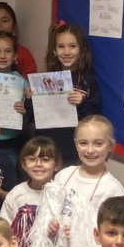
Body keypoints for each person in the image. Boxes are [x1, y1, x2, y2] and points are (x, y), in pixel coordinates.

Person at [29, 114, 124, 247]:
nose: (90, 150)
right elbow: (49, 214)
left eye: (98, 143)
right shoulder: (64, 176)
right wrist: (51, 229)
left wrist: (82, 235)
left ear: (110, 146)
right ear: (75, 144)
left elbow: (114, 237)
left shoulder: (113, 190)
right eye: (84, 143)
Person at [29, 21, 100, 163]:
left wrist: (82, 102)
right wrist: (29, 101)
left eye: (72, 46)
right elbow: (33, 119)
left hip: (73, 151)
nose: (66, 52)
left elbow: (95, 119)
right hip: (47, 148)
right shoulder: (45, 80)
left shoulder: (88, 81)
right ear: (54, 51)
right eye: (61, 47)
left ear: (81, 49)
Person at [0, 136, 61, 247]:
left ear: (56, 165)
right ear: (24, 164)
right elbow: (4, 226)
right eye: (32, 159)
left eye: (45, 160)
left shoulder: (61, 194)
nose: (38, 164)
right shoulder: (16, 193)